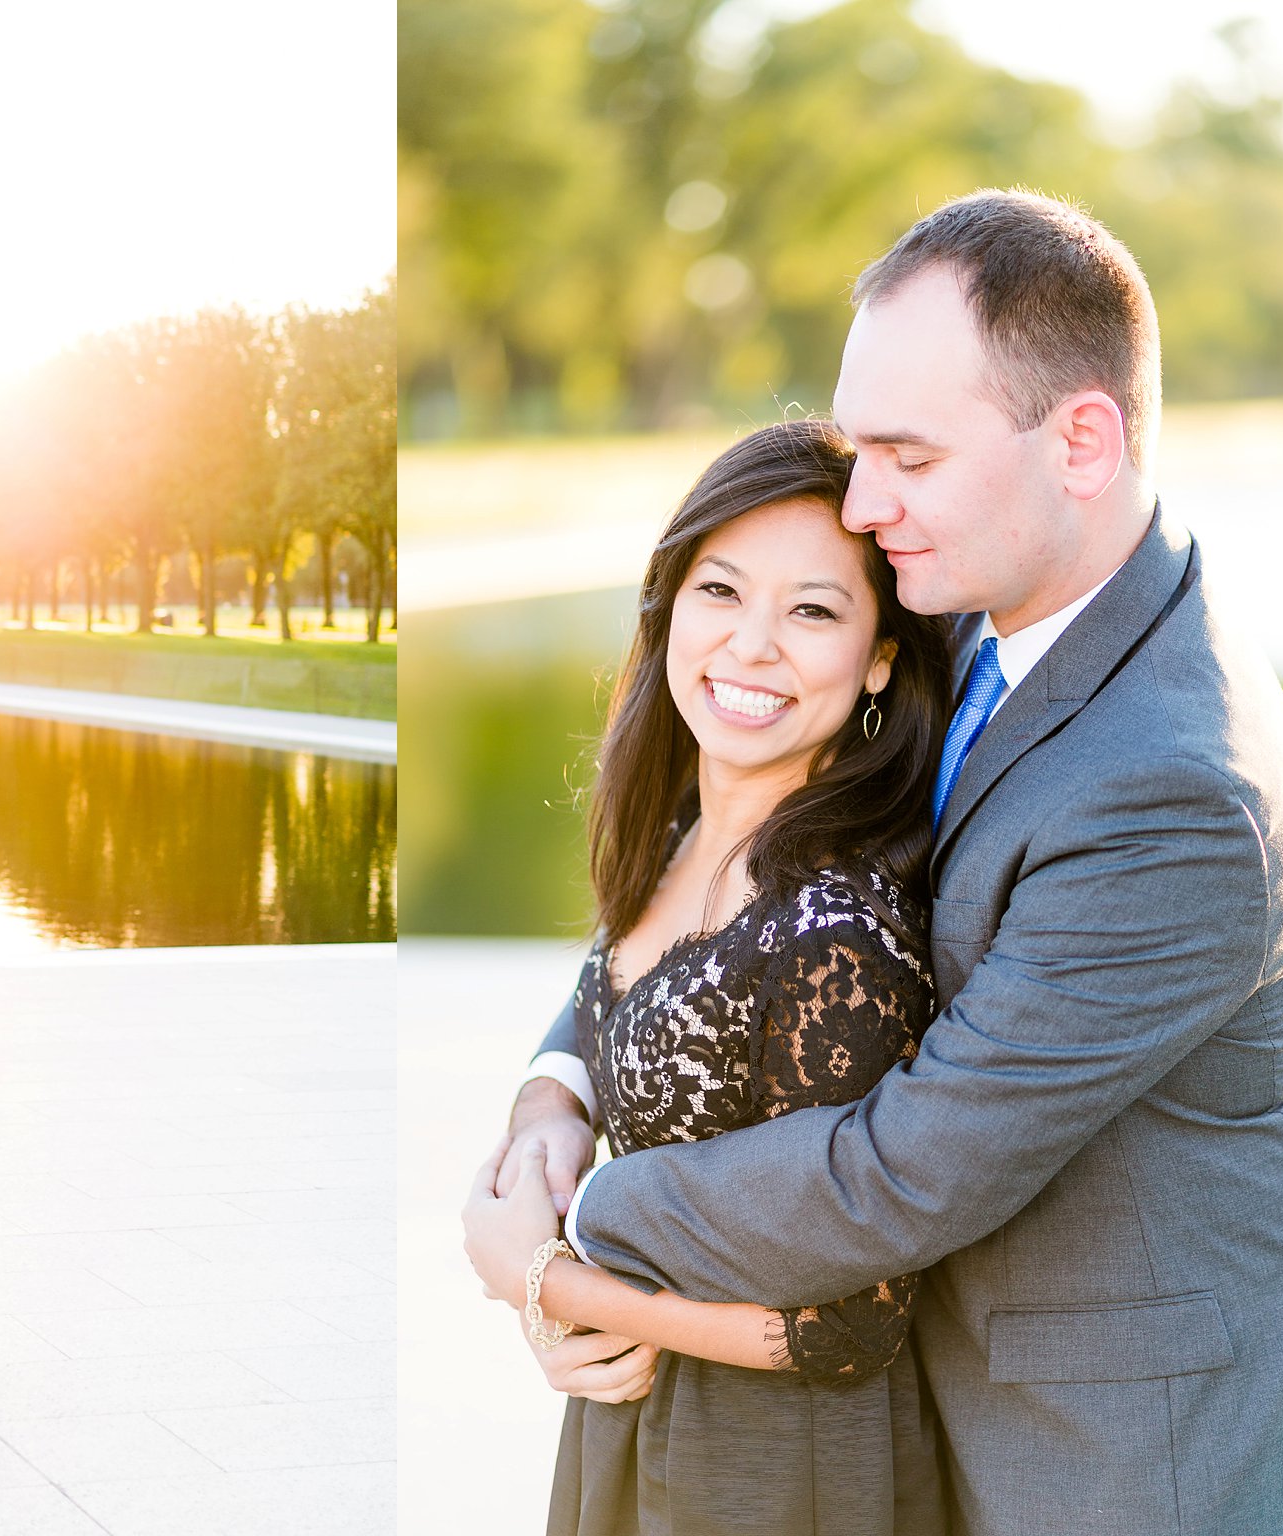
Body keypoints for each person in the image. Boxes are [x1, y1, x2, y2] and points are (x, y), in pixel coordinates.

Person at [479, 189, 1283, 1535]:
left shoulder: (1178, 792)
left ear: (1081, 441)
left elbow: (903, 1172)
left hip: (1141, 1477)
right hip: (963, 1436)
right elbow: (718, 903)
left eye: (908, 458)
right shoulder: (982, 635)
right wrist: (553, 1096)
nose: (865, 502)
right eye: (861, 450)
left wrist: (576, 1232)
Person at [462, 418, 955, 1535]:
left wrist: (545, 1281)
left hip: (778, 1470)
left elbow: (853, 1325)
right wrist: (548, 1106)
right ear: (669, 602)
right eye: (720, 591)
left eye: (813, 611)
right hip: (644, 1421)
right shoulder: (683, 826)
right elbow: (608, 1001)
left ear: (880, 654)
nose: (750, 646)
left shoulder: (835, 934)